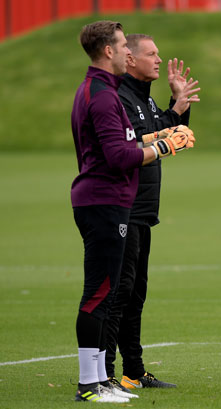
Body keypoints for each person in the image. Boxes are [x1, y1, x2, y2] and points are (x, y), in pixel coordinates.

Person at [71, 21, 193, 403]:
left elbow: (137, 137)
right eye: (125, 46)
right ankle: (93, 383)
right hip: (106, 201)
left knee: (117, 293)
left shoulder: (102, 90)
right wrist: (165, 147)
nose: (128, 51)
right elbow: (120, 155)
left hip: (114, 201)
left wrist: (168, 125)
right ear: (109, 51)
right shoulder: (107, 95)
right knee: (103, 295)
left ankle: (106, 379)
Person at [104, 33, 200, 392]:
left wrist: (178, 106)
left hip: (142, 210)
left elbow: (166, 131)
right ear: (130, 59)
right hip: (123, 207)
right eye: (152, 54)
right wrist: (173, 114)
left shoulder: (142, 99)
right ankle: (106, 373)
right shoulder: (121, 98)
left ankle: (133, 370)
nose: (159, 60)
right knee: (120, 290)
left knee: (135, 292)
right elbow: (137, 141)